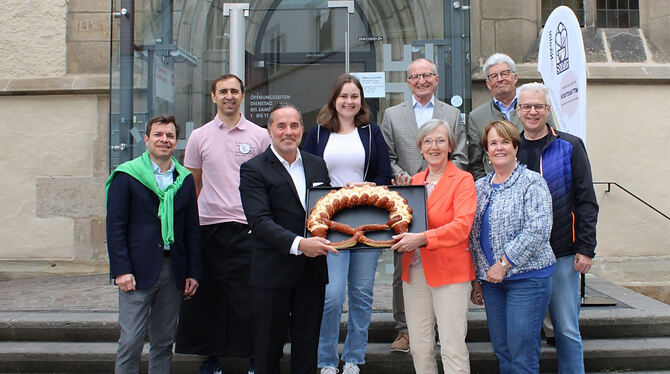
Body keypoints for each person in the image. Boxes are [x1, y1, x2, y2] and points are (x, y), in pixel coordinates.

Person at [176, 73, 270, 374]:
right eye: (222, 91)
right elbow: (193, 184)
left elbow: (269, 182)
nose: (229, 96)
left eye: (234, 91)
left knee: (251, 296)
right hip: (210, 226)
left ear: (243, 96)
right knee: (212, 297)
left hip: (249, 226)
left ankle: (257, 356)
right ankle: (212, 356)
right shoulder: (199, 137)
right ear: (213, 96)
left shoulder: (259, 136)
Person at [239, 102, 337, 374]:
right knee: (268, 349)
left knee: (307, 348)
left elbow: (326, 211)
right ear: (269, 130)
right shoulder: (253, 169)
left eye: (294, 125)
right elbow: (259, 222)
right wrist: (300, 244)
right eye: (281, 125)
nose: (288, 131)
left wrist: (346, 200)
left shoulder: (317, 165)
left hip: (311, 272)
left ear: (302, 130)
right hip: (272, 273)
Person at [302, 74, 391, 374]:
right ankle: (326, 358)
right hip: (330, 222)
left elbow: (384, 175)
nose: (349, 101)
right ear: (334, 100)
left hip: (366, 217)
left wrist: (365, 185)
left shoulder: (371, 133)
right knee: (332, 295)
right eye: (344, 96)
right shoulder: (316, 134)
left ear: (361, 101)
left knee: (363, 293)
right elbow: (306, 176)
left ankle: (354, 356)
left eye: (355, 96)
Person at [380, 58, 467, 352]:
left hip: (444, 195)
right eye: (415, 77)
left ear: (437, 79)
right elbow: (387, 155)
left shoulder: (452, 114)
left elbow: (460, 155)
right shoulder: (392, 115)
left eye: (427, 75)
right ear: (408, 82)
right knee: (402, 266)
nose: (421, 81)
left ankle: (443, 327)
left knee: (442, 254)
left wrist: (442, 179)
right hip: (408, 198)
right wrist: (400, 176)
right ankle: (405, 329)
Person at [106, 114, 202, 373]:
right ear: (147, 139)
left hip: (173, 271)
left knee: (163, 342)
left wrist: (193, 272)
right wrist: (121, 269)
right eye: (158, 134)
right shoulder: (127, 176)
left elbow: (192, 228)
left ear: (176, 142)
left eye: (170, 135)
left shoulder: (183, 180)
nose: (164, 140)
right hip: (136, 271)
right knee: (130, 342)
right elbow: (115, 227)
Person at [515, 83, 599, 374]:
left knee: (566, 330)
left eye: (539, 106)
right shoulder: (510, 149)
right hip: (523, 259)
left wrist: (586, 248)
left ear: (548, 110)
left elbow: (587, 200)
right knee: (525, 336)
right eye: (526, 106)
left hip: (562, 253)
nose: (533, 112)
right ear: (518, 110)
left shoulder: (570, 145)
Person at [469, 120, 556, 373]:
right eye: (493, 143)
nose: (499, 148)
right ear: (486, 150)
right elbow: (474, 237)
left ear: (516, 147)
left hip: (527, 279)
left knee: (522, 352)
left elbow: (538, 229)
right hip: (492, 282)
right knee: (503, 350)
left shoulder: (532, 181)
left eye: (505, 142)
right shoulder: (480, 187)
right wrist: (478, 277)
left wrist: (504, 263)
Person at [390, 119, 477, 374]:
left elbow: (462, 227)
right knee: (419, 345)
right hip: (414, 272)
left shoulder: (463, 180)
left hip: (450, 273)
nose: (434, 146)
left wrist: (423, 238)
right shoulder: (414, 182)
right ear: (420, 147)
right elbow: (403, 224)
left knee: (452, 346)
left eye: (440, 140)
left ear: (451, 145)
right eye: (427, 141)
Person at [467, 53, 522, 180]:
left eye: (504, 74)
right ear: (488, 83)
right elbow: (475, 163)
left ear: (515, 77)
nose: (500, 79)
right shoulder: (477, 117)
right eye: (494, 76)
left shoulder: (533, 108)